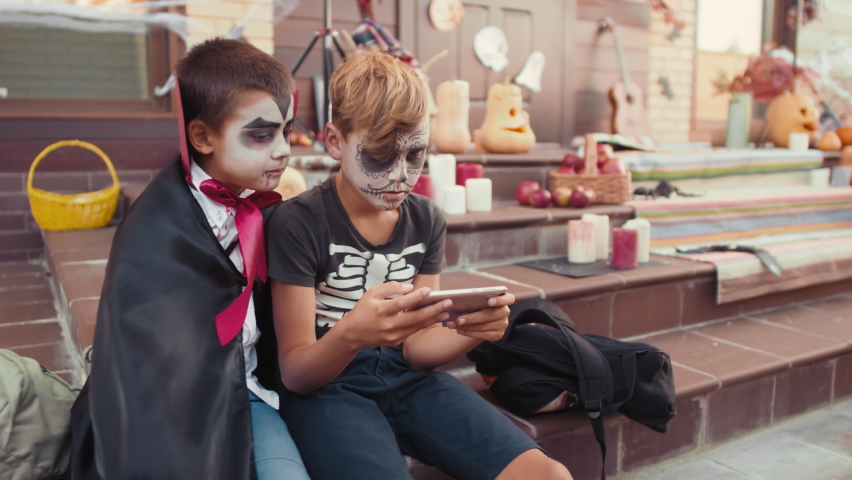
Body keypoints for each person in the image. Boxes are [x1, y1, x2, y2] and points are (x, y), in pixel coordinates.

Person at [266, 50, 574, 480]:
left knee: (548, 474)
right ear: (335, 141)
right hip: (326, 391)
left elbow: (416, 349)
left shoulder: (426, 219)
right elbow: (297, 374)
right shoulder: (297, 222)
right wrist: (352, 333)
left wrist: (471, 330)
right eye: (379, 156)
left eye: (415, 155)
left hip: (407, 380)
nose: (399, 176)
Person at [66, 38, 309, 480]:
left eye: (286, 131)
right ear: (202, 136)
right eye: (261, 135)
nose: (282, 150)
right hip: (175, 416)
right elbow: (150, 369)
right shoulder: (157, 232)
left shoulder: (256, 207)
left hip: (249, 394)